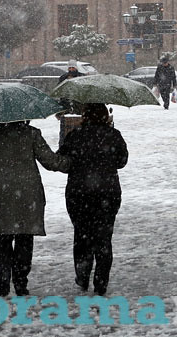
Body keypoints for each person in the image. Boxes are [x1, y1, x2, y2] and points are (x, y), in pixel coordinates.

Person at [0, 120, 69, 297]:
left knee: (3, 236)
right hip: (27, 192)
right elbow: (50, 161)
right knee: (25, 237)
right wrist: (72, 163)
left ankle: (4, 275)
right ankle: (20, 282)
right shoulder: (31, 133)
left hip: (0, 191)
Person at [58, 103, 128, 295]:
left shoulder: (75, 135)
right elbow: (122, 162)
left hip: (79, 192)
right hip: (107, 192)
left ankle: (82, 275)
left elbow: (62, 160)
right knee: (104, 238)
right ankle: (101, 281)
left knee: (82, 236)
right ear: (106, 116)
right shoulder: (114, 135)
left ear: (85, 115)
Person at [55, 61, 85, 146]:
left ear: (76, 68)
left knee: (79, 131)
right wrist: (59, 112)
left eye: (73, 67)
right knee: (65, 131)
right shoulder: (63, 78)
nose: (71, 69)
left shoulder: (82, 77)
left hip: (79, 108)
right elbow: (59, 94)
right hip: (66, 108)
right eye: (70, 68)